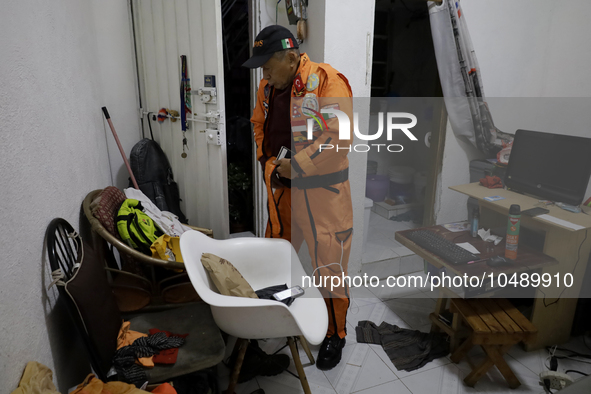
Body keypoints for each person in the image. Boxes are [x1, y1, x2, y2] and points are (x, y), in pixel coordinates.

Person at [243, 25, 353, 371]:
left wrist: (299, 166)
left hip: (323, 197)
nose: (263, 74)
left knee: (329, 268)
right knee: (276, 260)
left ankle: (336, 334)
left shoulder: (326, 82)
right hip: (283, 194)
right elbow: (258, 125)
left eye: (267, 66)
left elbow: (339, 138)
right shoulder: (267, 87)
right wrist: (268, 163)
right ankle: (279, 323)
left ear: (291, 58)